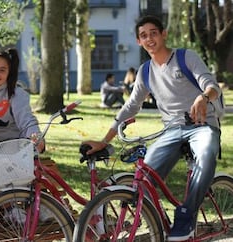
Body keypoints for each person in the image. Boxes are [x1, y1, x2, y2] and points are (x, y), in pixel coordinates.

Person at [83, 15, 222, 241]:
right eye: (144, 35)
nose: (149, 39)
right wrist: (104, 141)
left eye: (153, 33)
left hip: (201, 126)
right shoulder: (145, 71)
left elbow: (211, 85)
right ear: (139, 41)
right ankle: (157, 224)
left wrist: (203, 98)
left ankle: (186, 217)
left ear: (163, 34)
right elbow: (130, 106)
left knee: (206, 156)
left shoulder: (186, 57)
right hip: (172, 131)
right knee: (144, 177)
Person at [0, 48, 45, 152]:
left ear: (9, 72)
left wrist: (35, 136)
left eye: (2, 70)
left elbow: (26, 120)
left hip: (13, 145)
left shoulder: (17, 93)